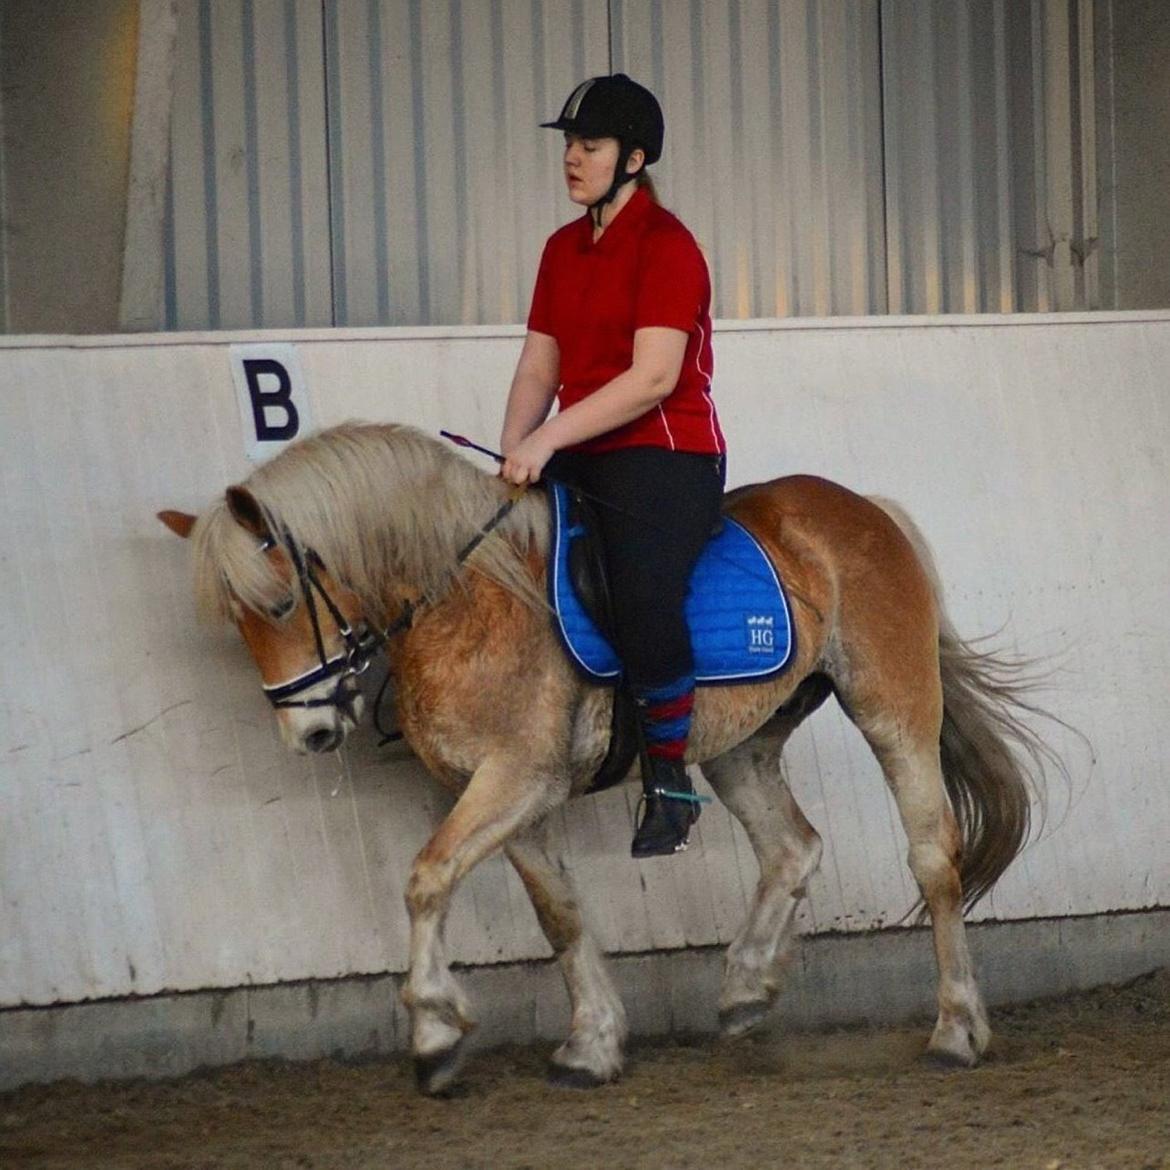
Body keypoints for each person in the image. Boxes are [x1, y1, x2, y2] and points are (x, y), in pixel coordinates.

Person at [500, 74, 727, 858]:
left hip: (664, 455)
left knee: (639, 590)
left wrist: (549, 440)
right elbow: (539, 366)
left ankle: (669, 777)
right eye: (568, 144)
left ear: (632, 158)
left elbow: (654, 378)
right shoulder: (561, 250)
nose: (570, 158)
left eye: (587, 146)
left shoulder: (668, 246)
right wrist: (513, 452)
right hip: (579, 450)